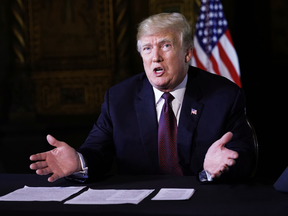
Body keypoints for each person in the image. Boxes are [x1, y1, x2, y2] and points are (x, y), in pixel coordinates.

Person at [30, 13, 256, 183]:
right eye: (147, 48)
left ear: (187, 53)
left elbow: (246, 158)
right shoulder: (119, 98)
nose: (155, 57)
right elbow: (97, 151)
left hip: (202, 200)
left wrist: (218, 169)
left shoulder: (224, 96)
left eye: (165, 46)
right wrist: (80, 162)